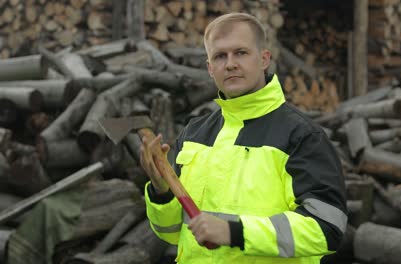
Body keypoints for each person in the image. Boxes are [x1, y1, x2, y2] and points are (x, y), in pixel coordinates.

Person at [140, 12, 347, 263]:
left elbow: (327, 229)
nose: (230, 64)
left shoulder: (301, 136)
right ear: (209, 68)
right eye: (219, 56)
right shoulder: (195, 133)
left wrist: (234, 232)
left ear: (264, 59)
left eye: (240, 53)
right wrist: (162, 193)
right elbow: (172, 233)